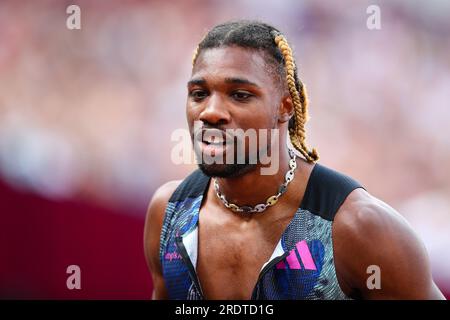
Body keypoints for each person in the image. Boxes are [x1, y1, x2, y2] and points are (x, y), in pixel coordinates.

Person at [143, 20, 445, 300]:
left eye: (239, 94)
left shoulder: (358, 228)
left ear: (285, 107)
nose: (210, 111)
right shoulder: (169, 214)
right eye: (199, 93)